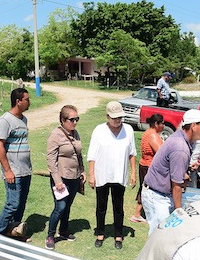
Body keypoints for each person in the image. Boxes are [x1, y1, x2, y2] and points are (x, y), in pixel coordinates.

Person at [142, 109, 200, 233]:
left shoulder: (179, 137)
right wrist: (178, 212)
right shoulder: (180, 147)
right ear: (194, 126)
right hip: (157, 197)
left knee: (162, 237)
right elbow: (176, 186)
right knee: (160, 237)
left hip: (159, 194)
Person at [87, 102, 138, 249]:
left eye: (120, 117)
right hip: (102, 174)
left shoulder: (128, 129)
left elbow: (132, 153)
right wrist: (91, 175)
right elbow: (92, 155)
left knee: (118, 207)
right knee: (101, 206)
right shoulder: (99, 130)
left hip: (119, 175)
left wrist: (133, 173)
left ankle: (118, 235)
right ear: (107, 116)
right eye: (114, 118)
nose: (117, 120)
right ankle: (100, 233)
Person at [0, 88, 33, 237]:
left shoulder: (24, 119)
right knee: (12, 204)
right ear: (18, 101)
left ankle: (14, 231)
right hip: (13, 170)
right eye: (27, 99)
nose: (29, 102)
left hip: (25, 169)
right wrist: (7, 170)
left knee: (21, 204)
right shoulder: (5, 120)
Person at [45, 105, 84, 250]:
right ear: (63, 120)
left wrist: (82, 171)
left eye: (76, 119)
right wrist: (57, 181)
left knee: (67, 206)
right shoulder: (55, 135)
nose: (75, 122)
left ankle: (64, 230)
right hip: (61, 178)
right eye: (72, 119)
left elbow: (78, 154)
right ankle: (50, 235)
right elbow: (51, 160)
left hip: (74, 177)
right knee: (60, 207)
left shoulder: (75, 133)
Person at [130, 113, 164, 223]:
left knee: (145, 189)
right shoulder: (153, 135)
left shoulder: (147, 133)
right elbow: (161, 152)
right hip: (149, 166)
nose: (163, 126)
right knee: (149, 190)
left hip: (144, 165)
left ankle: (138, 213)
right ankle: (138, 214)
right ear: (156, 124)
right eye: (162, 123)